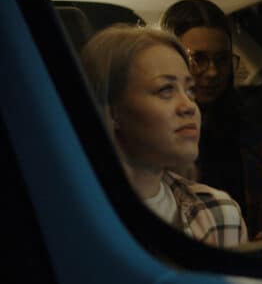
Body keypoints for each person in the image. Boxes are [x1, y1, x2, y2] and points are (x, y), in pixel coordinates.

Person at [78, 25, 248, 247]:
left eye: (190, 91)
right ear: (112, 112)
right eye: (165, 90)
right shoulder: (71, 218)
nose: (189, 106)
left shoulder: (221, 214)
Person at [161, 0, 262, 239]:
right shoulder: (154, 134)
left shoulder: (261, 121)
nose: (212, 72)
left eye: (221, 60)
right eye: (197, 59)